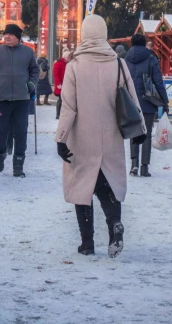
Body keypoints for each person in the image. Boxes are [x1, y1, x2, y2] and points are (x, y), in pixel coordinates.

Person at [56, 15, 146, 258]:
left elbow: (68, 106)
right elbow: (132, 99)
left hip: (81, 136)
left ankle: (87, 243)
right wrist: (141, 130)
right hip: (112, 135)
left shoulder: (74, 66)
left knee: (83, 187)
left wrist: (61, 138)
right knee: (109, 185)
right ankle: (114, 223)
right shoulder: (118, 63)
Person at [0, 24, 39, 177]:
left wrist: (30, 85)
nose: (7, 37)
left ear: (18, 37)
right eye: (5, 34)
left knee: (21, 132)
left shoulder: (28, 52)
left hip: (22, 99)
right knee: (1, 131)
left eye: (11, 35)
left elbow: (35, 70)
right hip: (2, 99)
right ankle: (0, 154)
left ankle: (18, 166)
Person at [124, 33, 168, 177]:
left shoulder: (126, 60)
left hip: (130, 101)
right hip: (147, 101)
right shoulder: (151, 59)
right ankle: (144, 167)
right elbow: (158, 82)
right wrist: (165, 100)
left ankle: (133, 165)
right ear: (144, 44)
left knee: (134, 132)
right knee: (147, 133)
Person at [53, 51, 68, 120]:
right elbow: (56, 75)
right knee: (61, 99)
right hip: (61, 85)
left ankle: (63, 113)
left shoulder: (67, 63)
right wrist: (59, 84)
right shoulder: (59, 64)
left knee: (65, 100)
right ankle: (58, 114)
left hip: (66, 84)